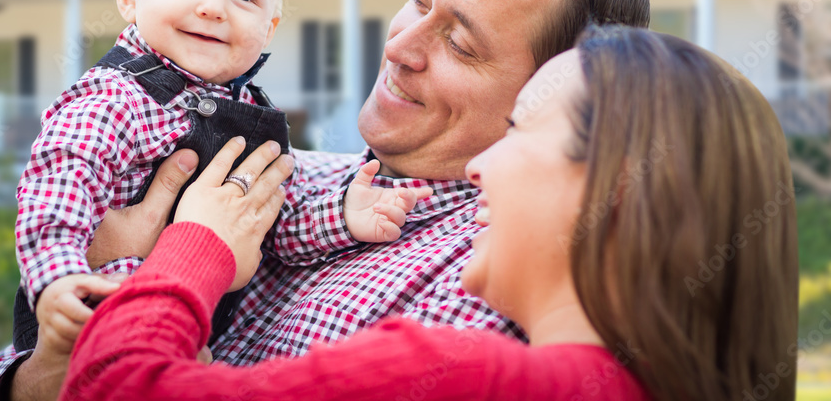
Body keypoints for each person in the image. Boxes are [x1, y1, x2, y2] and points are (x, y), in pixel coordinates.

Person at [0, 0, 652, 400]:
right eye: (419, 2)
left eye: (461, 44)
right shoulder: (291, 177)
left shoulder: (488, 283)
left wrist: (182, 252)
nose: (402, 45)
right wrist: (40, 363)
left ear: (557, 88)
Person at [60, 26, 800, 401]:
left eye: (519, 130)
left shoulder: (459, 373)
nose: (480, 168)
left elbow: (117, 387)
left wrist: (192, 246)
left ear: (614, 190)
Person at [0, 0, 429, 398]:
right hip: (94, 313)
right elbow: (57, 191)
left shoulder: (255, 116)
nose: (212, 8)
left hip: (185, 342)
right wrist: (57, 280)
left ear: (269, 27)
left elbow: (272, 222)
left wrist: (342, 215)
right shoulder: (116, 98)